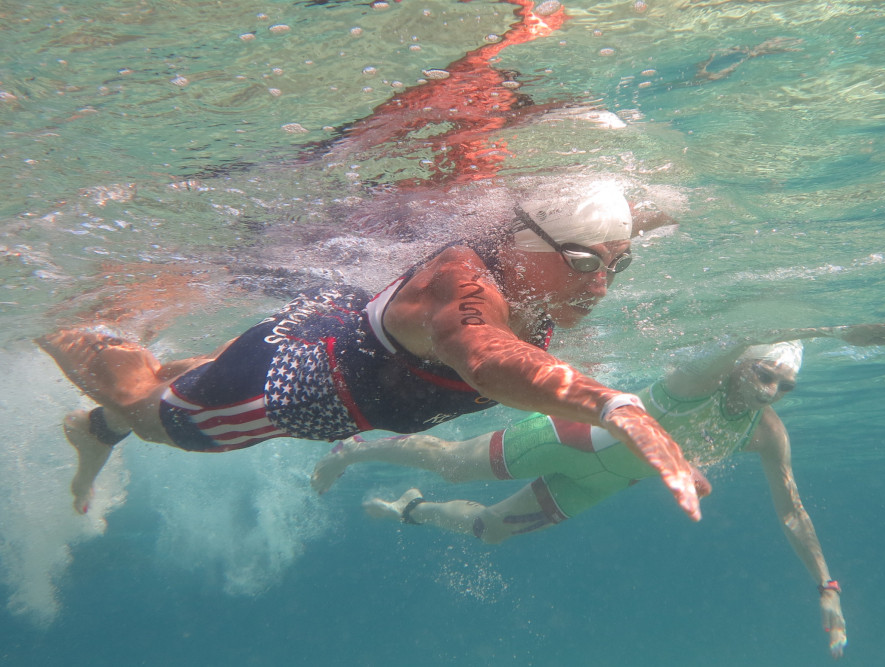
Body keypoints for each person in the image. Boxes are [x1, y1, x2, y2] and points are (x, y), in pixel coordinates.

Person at [36, 180, 708, 522]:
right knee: (153, 407)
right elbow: (485, 358)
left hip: (330, 323)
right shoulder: (466, 290)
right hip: (279, 391)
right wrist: (612, 406)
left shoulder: (528, 263)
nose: (599, 284)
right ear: (526, 248)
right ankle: (45, 317)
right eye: (585, 261)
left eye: (617, 267)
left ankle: (92, 429)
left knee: (188, 373)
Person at [311, 322, 885, 659]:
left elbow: (792, 511)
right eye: (765, 373)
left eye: (785, 385)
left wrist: (827, 586)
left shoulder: (766, 431)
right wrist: (838, 330)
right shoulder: (700, 379)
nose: (771, 390)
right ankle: (357, 449)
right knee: (452, 463)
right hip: (569, 437)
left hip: (601, 482)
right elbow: (750, 331)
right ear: (741, 365)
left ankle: (410, 510)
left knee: (491, 531)